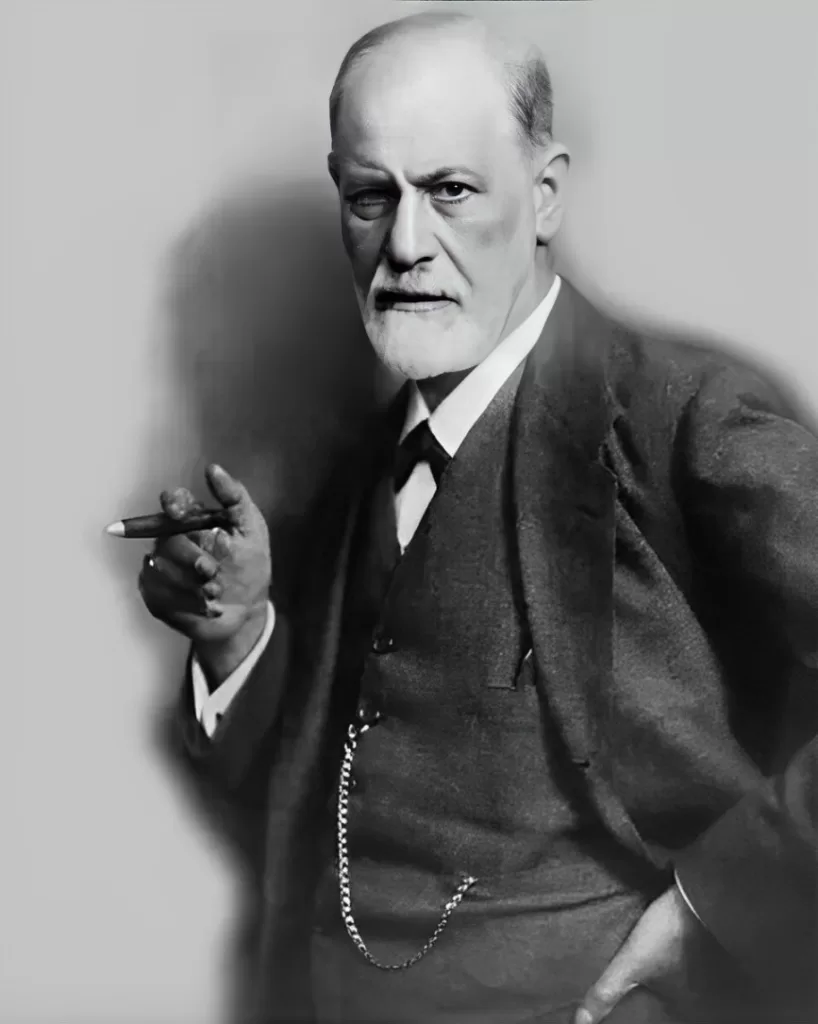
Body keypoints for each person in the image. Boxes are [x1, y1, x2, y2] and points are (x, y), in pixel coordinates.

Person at [137, 12, 818, 1024]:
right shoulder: (350, 474)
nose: (405, 245)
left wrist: (712, 907)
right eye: (371, 197)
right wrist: (238, 640)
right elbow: (313, 798)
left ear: (543, 195)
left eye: (450, 190)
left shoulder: (681, 420)